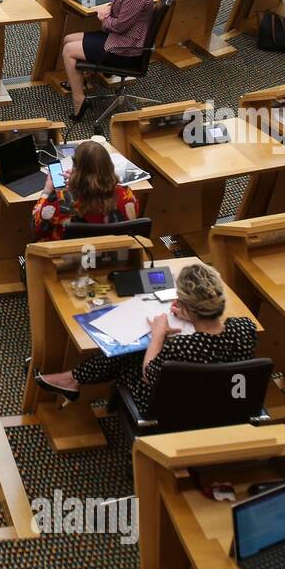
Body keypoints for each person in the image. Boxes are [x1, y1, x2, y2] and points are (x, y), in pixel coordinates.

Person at [33, 263, 257, 416]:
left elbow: (149, 373)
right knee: (137, 352)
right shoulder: (245, 328)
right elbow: (215, 333)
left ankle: (72, 379)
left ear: (187, 307)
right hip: (223, 400)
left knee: (130, 353)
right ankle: (71, 379)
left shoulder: (180, 347)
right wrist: (191, 316)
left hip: (172, 406)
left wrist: (158, 334)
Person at [59, 0, 155, 121]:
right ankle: (78, 79)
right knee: (68, 39)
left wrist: (104, 16)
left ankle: (79, 99)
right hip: (124, 38)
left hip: (124, 48)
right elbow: (125, 11)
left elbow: (119, 27)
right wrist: (109, 7)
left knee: (68, 50)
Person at [32, 141, 139, 241]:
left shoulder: (60, 200)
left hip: (69, 257)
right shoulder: (126, 194)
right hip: (112, 255)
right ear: (109, 165)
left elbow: (38, 228)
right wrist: (78, 182)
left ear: (75, 167)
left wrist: (46, 192)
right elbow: (134, 216)